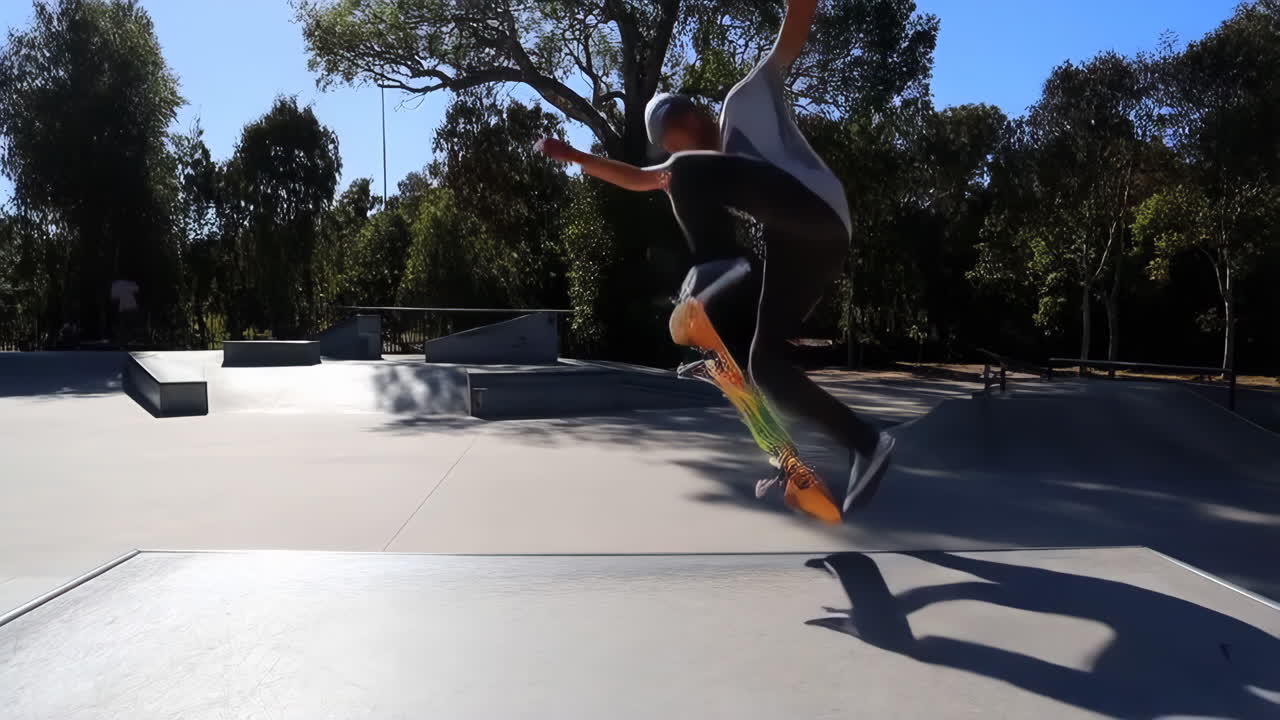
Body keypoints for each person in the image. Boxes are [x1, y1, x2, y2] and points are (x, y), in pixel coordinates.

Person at [536, 0, 894, 512]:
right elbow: (640, 178)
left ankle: (718, 264)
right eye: (673, 145)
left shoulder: (744, 99)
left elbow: (792, 36)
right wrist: (575, 157)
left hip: (812, 206)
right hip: (808, 246)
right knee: (764, 365)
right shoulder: (698, 172)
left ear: (696, 115)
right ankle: (865, 443)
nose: (685, 149)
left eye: (683, 135)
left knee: (683, 178)